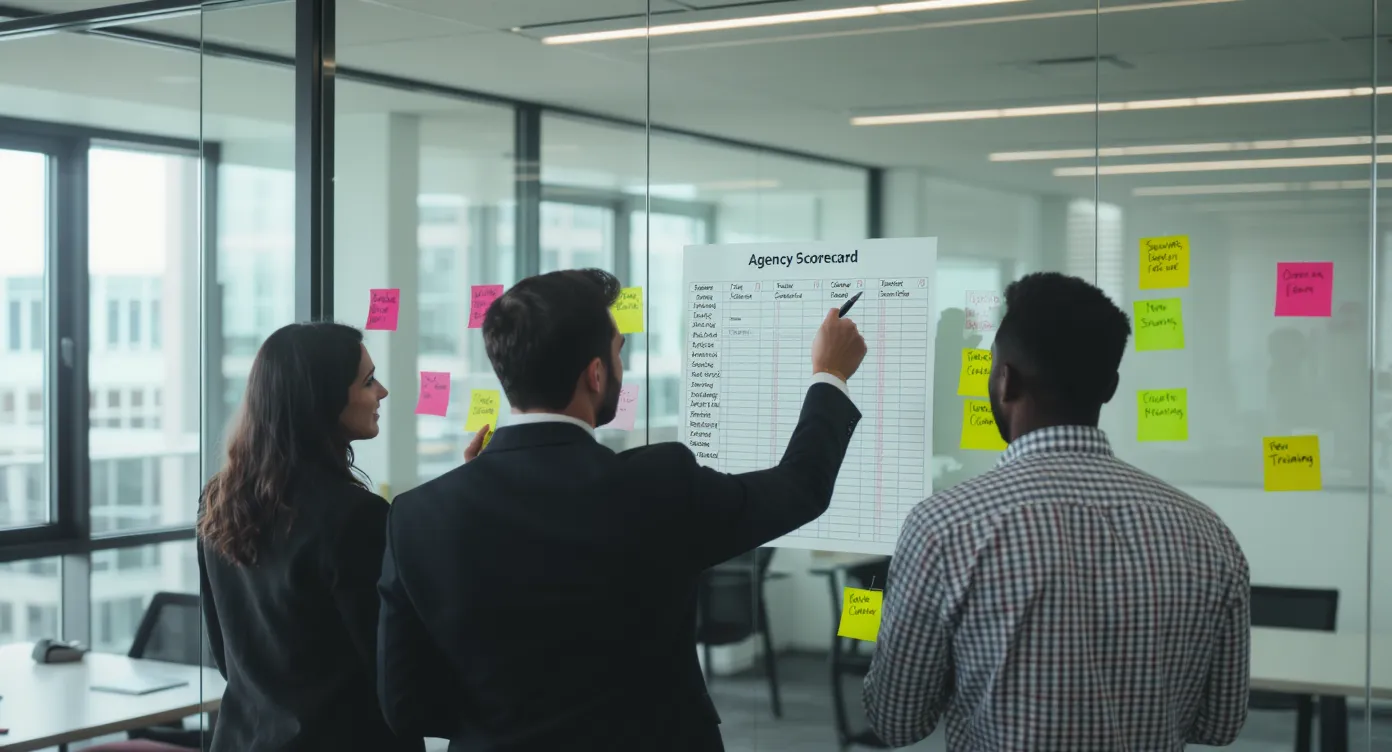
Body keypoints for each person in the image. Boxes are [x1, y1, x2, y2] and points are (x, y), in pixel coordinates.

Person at [376, 268, 866, 751]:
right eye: (618, 352)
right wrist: (830, 374)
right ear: (595, 373)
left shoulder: (419, 515)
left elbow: (405, 704)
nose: (621, 367)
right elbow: (800, 487)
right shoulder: (660, 485)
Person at [864, 272, 1251, 751]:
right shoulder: (1206, 532)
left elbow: (897, 720)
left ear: (1005, 381)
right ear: (1109, 387)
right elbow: (1219, 725)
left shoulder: (944, 527)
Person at [197, 322, 423, 752]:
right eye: (368, 381)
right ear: (323, 397)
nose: (383, 392)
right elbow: (390, 665)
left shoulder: (218, 500)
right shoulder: (355, 516)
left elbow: (227, 652)